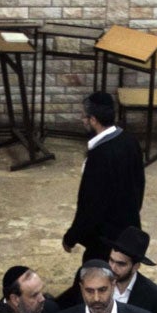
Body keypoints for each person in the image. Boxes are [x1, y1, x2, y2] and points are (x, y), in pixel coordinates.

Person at [61, 90, 144, 259]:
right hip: (128, 230)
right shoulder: (130, 140)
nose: (82, 120)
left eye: (84, 117)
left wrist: (71, 237)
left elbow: (90, 205)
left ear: (93, 120)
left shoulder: (99, 156)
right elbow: (139, 184)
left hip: (104, 239)